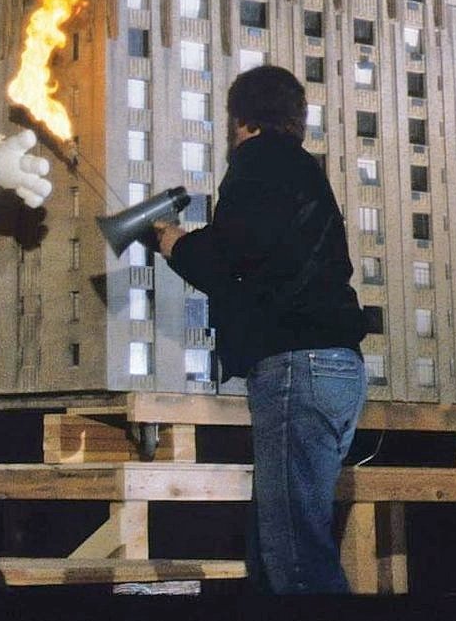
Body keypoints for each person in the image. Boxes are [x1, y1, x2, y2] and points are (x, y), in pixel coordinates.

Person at [154, 65, 367, 594]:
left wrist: (173, 243)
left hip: (297, 366)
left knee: (295, 561)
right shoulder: (301, 170)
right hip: (335, 368)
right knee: (281, 551)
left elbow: (231, 259)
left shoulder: (259, 162)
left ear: (240, 120)